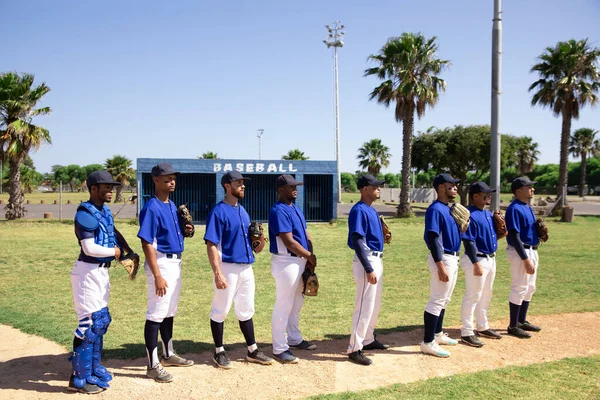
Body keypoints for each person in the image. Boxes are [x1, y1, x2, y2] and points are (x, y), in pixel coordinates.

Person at [69, 170, 134, 394]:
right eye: (105, 187)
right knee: (88, 324)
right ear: (93, 188)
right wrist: (115, 252)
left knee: (101, 320)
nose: (110, 190)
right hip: (87, 271)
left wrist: (126, 252)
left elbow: (112, 235)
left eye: (112, 187)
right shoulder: (84, 213)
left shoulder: (104, 212)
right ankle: (79, 377)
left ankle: (94, 369)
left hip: (101, 272)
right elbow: (89, 248)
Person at [204, 171, 274, 368]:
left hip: (246, 267)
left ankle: (252, 350)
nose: (243, 186)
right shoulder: (218, 211)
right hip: (227, 267)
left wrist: (259, 243)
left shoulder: (242, 211)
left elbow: (255, 246)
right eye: (238, 183)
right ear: (227, 186)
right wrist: (217, 272)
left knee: (246, 308)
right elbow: (211, 244)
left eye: (243, 183)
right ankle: (219, 351)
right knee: (220, 309)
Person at [138, 163, 195, 383]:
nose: (171, 181)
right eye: (166, 178)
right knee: (156, 313)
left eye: (173, 178)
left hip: (175, 262)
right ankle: (152, 365)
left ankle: (168, 354)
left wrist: (184, 230)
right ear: (155, 180)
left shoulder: (171, 205)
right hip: (160, 263)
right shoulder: (151, 207)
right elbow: (147, 243)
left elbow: (170, 233)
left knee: (169, 312)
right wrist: (157, 275)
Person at [268, 174, 317, 363]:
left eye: (296, 185)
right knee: (284, 304)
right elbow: (288, 241)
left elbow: (305, 233)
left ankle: (295, 339)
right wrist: (309, 256)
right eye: (291, 186)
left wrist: (310, 256)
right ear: (281, 190)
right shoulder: (278, 210)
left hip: (300, 261)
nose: (295, 188)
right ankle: (279, 348)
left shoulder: (294, 208)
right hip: (285, 262)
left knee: (296, 304)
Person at [346, 174, 390, 366]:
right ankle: (355, 348)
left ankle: (368, 339)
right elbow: (357, 240)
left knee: (374, 304)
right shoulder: (359, 210)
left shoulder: (371, 210)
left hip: (376, 258)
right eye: (375, 186)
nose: (379, 188)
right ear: (364, 189)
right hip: (368, 260)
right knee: (364, 306)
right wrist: (368, 267)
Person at [420, 173, 462, 358]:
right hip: (443, 258)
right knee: (436, 300)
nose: (455, 187)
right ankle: (428, 342)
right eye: (451, 185)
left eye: (455, 185)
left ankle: (437, 335)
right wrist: (440, 265)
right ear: (441, 187)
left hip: (452, 257)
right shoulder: (436, 209)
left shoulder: (449, 209)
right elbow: (433, 237)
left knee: (444, 299)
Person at [460, 182, 502, 348]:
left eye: (489, 194)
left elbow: (489, 238)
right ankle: (467, 332)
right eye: (485, 195)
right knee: (473, 296)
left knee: (486, 294)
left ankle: (482, 326)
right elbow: (468, 241)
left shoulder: (487, 214)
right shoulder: (470, 214)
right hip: (476, 259)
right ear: (475, 196)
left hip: (490, 259)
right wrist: (475, 263)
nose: (488, 197)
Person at [505, 177, 542, 339]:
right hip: (521, 251)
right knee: (519, 287)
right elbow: (513, 235)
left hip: (532, 249)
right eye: (529, 187)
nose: (532, 189)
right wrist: (525, 259)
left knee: (529, 287)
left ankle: (522, 321)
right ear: (519, 190)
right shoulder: (514, 209)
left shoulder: (526, 206)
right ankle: (513, 325)